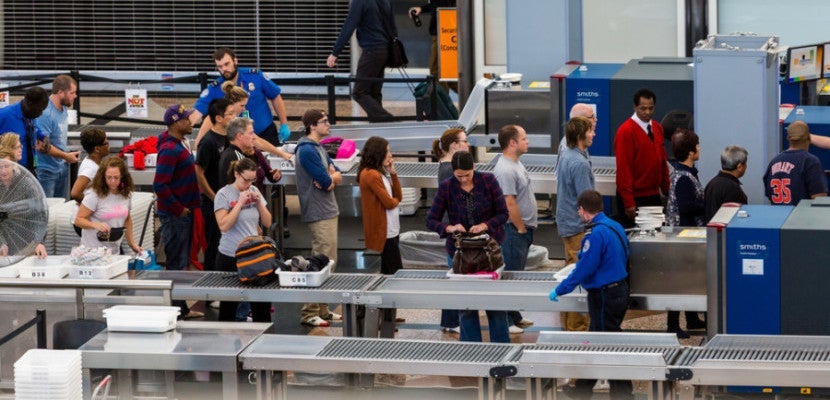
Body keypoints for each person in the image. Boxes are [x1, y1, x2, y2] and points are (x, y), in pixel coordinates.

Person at [549, 189, 633, 400]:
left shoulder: (595, 235)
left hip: (604, 295)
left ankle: (623, 393)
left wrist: (561, 289)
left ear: (582, 210)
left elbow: (584, 268)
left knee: (608, 345)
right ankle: (582, 389)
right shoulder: (615, 226)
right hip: (620, 289)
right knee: (599, 340)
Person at [426, 151, 510, 343]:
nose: (463, 180)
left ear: (474, 169)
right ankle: (471, 351)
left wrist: (485, 225)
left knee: (495, 306)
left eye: (467, 175)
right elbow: (431, 220)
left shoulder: (488, 181)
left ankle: (501, 349)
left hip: (489, 252)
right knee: (466, 308)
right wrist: (449, 227)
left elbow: (503, 214)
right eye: (459, 176)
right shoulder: (447, 187)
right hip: (460, 253)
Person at [153, 104, 201, 319]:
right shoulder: (170, 150)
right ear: (176, 123)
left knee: (180, 262)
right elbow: (160, 184)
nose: (191, 122)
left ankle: (181, 308)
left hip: (181, 212)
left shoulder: (177, 144)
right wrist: (178, 208)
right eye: (186, 119)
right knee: (177, 263)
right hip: (175, 216)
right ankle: (176, 311)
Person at [295, 109, 342, 327]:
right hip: (319, 210)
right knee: (319, 262)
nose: (328, 124)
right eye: (324, 121)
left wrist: (332, 176)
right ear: (312, 125)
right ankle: (309, 311)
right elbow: (326, 181)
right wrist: (330, 177)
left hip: (328, 208)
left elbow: (336, 174)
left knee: (329, 262)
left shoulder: (319, 147)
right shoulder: (306, 150)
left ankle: (323, 309)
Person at [191, 47, 290, 149]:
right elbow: (196, 113)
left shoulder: (255, 76)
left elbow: (275, 96)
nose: (224, 69)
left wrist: (284, 124)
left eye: (227, 64)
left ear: (235, 61)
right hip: (237, 139)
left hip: (265, 133)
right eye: (220, 66)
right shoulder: (215, 89)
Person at [213, 157, 273, 323]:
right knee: (229, 307)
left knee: (261, 307)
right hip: (230, 256)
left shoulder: (254, 189)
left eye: (252, 179)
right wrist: (239, 203)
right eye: (246, 179)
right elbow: (223, 226)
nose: (249, 183)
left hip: (254, 256)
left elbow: (267, 222)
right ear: (236, 174)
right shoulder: (223, 194)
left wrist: (259, 203)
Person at [492, 124, 536, 334]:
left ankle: (514, 314)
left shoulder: (515, 163)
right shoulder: (505, 169)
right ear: (512, 142)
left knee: (517, 273)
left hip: (522, 229)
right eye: (524, 138)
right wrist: (520, 228)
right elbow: (508, 203)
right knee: (509, 274)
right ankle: (506, 320)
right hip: (513, 230)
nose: (528, 142)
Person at [664, 129, 707, 338]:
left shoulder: (683, 173)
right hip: (685, 235)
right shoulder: (684, 178)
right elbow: (686, 206)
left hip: (684, 234)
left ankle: (691, 318)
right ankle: (672, 325)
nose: (699, 149)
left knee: (689, 279)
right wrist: (705, 205)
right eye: (697, 146)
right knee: (681, 280)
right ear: (691, 152)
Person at [357, 136, 403, 330]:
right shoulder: (371, 175)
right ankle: (384, 318)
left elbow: (397, 196)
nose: (390, 156)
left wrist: (393, 174)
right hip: (384, 231)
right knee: (393, 275)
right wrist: (395, 200)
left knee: (388, 273)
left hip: (391, 229)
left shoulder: (380, 173)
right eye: (388, 152)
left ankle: (388, 316)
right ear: (378, 153)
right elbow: (390, 201)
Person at [556, 116, 596, 333]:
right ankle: (577, 329)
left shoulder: (569, 154)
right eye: (590, 131)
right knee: (578, 276)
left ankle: (570, 324)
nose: (594, 134)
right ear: (581, 136)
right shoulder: (578, 162)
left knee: (571, 272)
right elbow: (586, 200)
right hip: (577, 228)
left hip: (568, 223)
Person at [327, 0, 396, 122]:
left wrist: (335, 52)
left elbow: (349, 26)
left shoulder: (360, 1)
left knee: (359, 92)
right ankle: (379, 128)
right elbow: (393, 27)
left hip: (372, 50)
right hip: (385, 50)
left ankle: (387, 120)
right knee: (374, 93)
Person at [431, 127, 469, 333]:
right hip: (455, 231)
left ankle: (450, 319)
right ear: (454, 145)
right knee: (456, 272)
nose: (468, 144)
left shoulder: (447, 167)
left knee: (454, 271)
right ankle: (452, 319)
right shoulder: (449, 170)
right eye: (465, 141)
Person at [614, 88, 669, 228]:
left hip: (653, 194)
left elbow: (662, 161)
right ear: (635, 107)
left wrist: (667, 190)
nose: (647, 112)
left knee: (656, 234)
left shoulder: (657, 128)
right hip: (635, 197)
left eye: (651, 108)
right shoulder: (625, 132)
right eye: (643, 108)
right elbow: (624, 169)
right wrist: (629, 202)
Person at [195, 99, 234, 272]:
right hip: (212, 203)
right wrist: (214, 197)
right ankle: (210, 289)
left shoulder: (229, 138)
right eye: (231, 114)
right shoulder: (208, 142)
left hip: (228, 202)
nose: (235, 117)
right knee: (214, 246)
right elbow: (199, 173)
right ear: (219, 118)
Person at [0, 87, 79, 173]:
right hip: (11, 172)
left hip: (32, 169)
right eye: (39, 110)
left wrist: (43, 137)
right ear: (29, 103)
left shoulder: (31, 114)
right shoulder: (4, 115)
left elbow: (35, 128)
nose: (40, 114)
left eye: (42, 110)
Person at [74, 156, 142, 256]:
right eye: (109, 177)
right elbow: (78, 220)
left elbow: (127, 219)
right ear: (103, 177)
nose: (113, 181)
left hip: (114, 252)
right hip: (92, 253)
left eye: (116, 177)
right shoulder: (94, 194)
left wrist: (132, 244)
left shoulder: (126, 194)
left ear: (123, 177)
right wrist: (95, 225)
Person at [0, 138, 47, 258]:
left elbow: (40, 215)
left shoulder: (26, 183)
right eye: (0, 167)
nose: (3, 171)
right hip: (3, 244)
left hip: (27, 243)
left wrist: (38, 242)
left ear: (14, 165)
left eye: (6, 166)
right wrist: (2, 243)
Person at [763, 121, 827, 205]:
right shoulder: (811, 162)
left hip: (778, 216)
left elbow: (769, 194)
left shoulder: (774, 161)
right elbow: (820, 200)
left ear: (788, 138)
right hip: (801, 216)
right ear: (809, 138)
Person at [35, 75, 79, 198]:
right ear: (60, 92)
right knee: (48, 210)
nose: (75, 96)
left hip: (61, 166)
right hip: (46, 171)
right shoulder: (46, 114)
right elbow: (42, 146)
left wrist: (65, 157)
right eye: (72, 93)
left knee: (61, 207)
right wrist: (66, 156)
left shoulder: (64, 107)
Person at [218, 118, 282, 196]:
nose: (254, 137)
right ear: (239, 136)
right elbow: (238, 192)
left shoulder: (233, 154)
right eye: (251, 133)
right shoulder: (235, 157)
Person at [408, 0, 458, 93]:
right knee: (447, 75)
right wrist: (422, 9)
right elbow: (438, 4)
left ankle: (443, 105)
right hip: (446, 31)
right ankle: (476, 97)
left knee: (437, 72)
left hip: (443, 32)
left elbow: (443, 6)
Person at [703, 146, 749, 222]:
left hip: (711, 232)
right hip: (726, 233)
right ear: (739, 166)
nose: (746, 166)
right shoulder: (732, 188)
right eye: (745, 164)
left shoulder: (711, 183)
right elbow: (736, 220)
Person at [70, 127, 109, 203]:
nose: (108, 145)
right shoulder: (90, 168)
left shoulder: (94, 161)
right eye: (106, 143)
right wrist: (91, 207)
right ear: (97, 149)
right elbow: (75, 193)